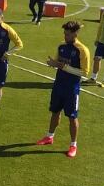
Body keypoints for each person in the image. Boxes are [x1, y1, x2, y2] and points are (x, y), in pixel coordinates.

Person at [37, 20, 91, 158]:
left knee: (72, 117)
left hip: (71, 89)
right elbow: (58, 63)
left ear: (75, 34)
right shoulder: (61, 46)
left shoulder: (82, 50)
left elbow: (85, 73)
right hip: (58, 86)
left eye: (67, 34)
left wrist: (63, 67)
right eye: (64, 33)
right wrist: (53, 64)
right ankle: (49, 136)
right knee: (55, 112)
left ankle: (73, 145)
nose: (65, 36)